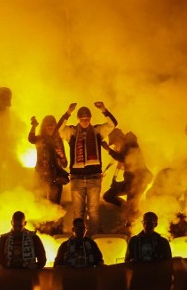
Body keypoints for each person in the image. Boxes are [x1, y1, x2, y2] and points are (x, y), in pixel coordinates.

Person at [59, 101, 118, 235]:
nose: (85, 121)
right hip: (77, 178)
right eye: (82, 119)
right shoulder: (72, 132)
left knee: (93, 211)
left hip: (94, 178)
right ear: (78, 119)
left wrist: (104, 109)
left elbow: (112, 124)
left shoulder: (97, 131)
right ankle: (78, 238)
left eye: (87, 119)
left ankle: (93, 239)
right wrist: (68, 113)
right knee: (78, 211)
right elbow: (59, 129)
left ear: (90, 119)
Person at [102, 130, 152, 231]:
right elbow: (119, 164)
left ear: (119, 138)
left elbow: (124, 159)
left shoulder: (131, 145)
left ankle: (132, 229)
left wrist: (108, 150)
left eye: (115, 143)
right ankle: (126, 209)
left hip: (139, 181)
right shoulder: (124, 148)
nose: (115, 146)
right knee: (108, 195)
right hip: (130, 182)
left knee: (132, 205)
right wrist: (114, 179)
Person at [28, 115, 69, 205]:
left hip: (55, 176)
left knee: (54, 205)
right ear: (44, 127)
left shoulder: (58, 141)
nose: (50, 127)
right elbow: (31, 139)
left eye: (52, 125)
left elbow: (65, 163)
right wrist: (34, 126)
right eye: (48, 125)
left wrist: (61, 156)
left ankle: (54, 219)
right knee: (39, 203)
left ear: (55, 126)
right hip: (41, 176)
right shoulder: (40, 139)